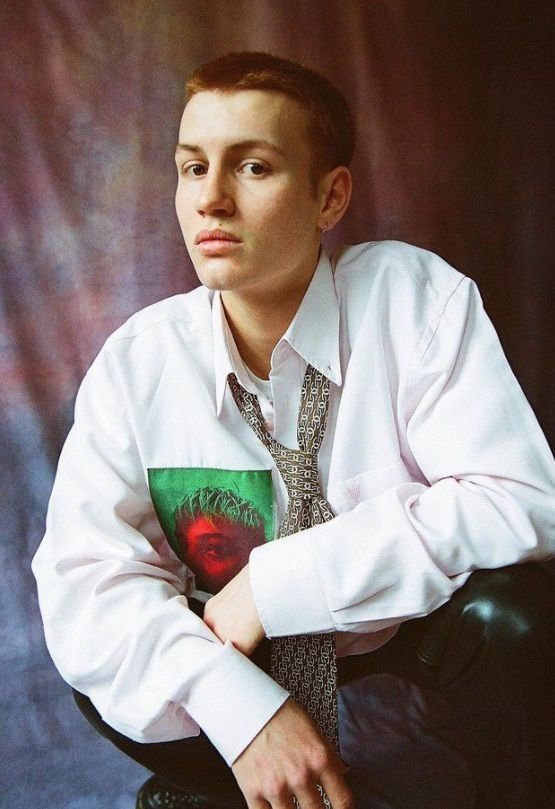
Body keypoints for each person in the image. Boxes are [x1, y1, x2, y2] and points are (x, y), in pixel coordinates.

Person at [32, 51, 555, 809]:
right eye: (191, 168)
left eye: (252, 167)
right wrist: (239, 710)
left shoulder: (413, 302)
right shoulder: (139, 363)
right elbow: (85, 582)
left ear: (329, 196)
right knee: (110, 663)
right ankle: (250, 784)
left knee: (520, 622)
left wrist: (282, 583)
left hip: (392, 615)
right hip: (234, 643)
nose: (211, 200)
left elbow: (521, 501)